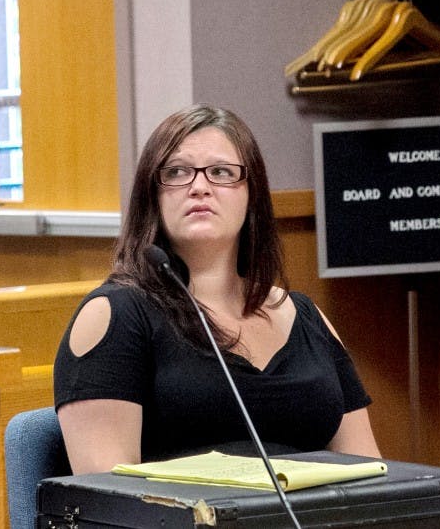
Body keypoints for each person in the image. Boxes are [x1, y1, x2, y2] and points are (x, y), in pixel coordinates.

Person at [54, 104, 381, 474]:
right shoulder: (116, 314)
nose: (199, 187)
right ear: (153, 197)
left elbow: (369, 474)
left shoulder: (303, 315)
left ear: (251, 195)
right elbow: (108, 499)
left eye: (222, 172)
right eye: (177, 172)